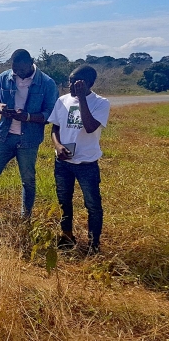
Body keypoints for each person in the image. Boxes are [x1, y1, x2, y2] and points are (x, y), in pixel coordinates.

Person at [0, 49, 58, 220]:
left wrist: (27, 117)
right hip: (3, 137)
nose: (17, 73)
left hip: (28, 140)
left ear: (30, 63)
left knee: (28, 180)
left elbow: (51, 113)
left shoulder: (47, 83)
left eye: (20, 69)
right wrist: (0, 107)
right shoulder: (4, 77)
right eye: (14, 69)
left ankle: (25, 219)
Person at [49, 66, 109, 254]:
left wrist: (82, 98)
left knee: (92, 205)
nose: (71, 86)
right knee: (63, 202)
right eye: (70, 81)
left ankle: (94, 244)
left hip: (87, 164)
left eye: (76, 82)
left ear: (89, 83)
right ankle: (67, 237)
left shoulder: (101, 103)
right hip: (63, 163)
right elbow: (55, 128)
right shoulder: (62, 101)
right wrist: (58, 147)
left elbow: (90, 127)